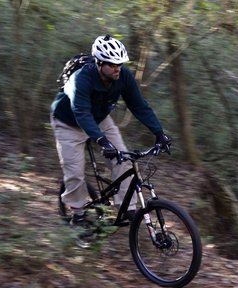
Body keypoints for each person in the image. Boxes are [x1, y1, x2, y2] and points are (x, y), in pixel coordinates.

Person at [51, 35, 171, 231]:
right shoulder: (80, 79)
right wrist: (101, 141)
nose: (117, 68)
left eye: (120, 64)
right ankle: (78, 214)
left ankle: (127, 207)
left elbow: (139, 105)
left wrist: (159, 133)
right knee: (75, 171)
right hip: (68, 122)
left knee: (124, 160)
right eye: (112, 64)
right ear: (99, 63)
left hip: (99, 118)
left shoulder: (123, 76)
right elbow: (81, 112)